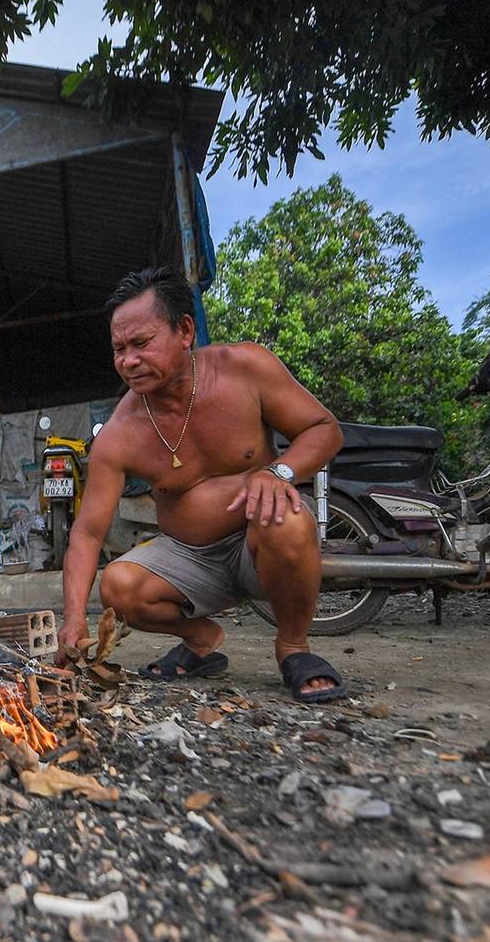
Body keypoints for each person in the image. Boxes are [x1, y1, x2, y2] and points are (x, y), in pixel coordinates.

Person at [58, 266, 348, 701]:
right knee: (118, 586)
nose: (128, 361)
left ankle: (293, 647)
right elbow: (87, 532)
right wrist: (74, 617)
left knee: (286, 519)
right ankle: (201, 639)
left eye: (141, 343)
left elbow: (325, 429)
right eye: (119, 349)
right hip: (190, 561)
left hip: (259, 543)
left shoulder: (246, 369)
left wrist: (278, 471)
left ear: (185, 330)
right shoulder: (119, 434)